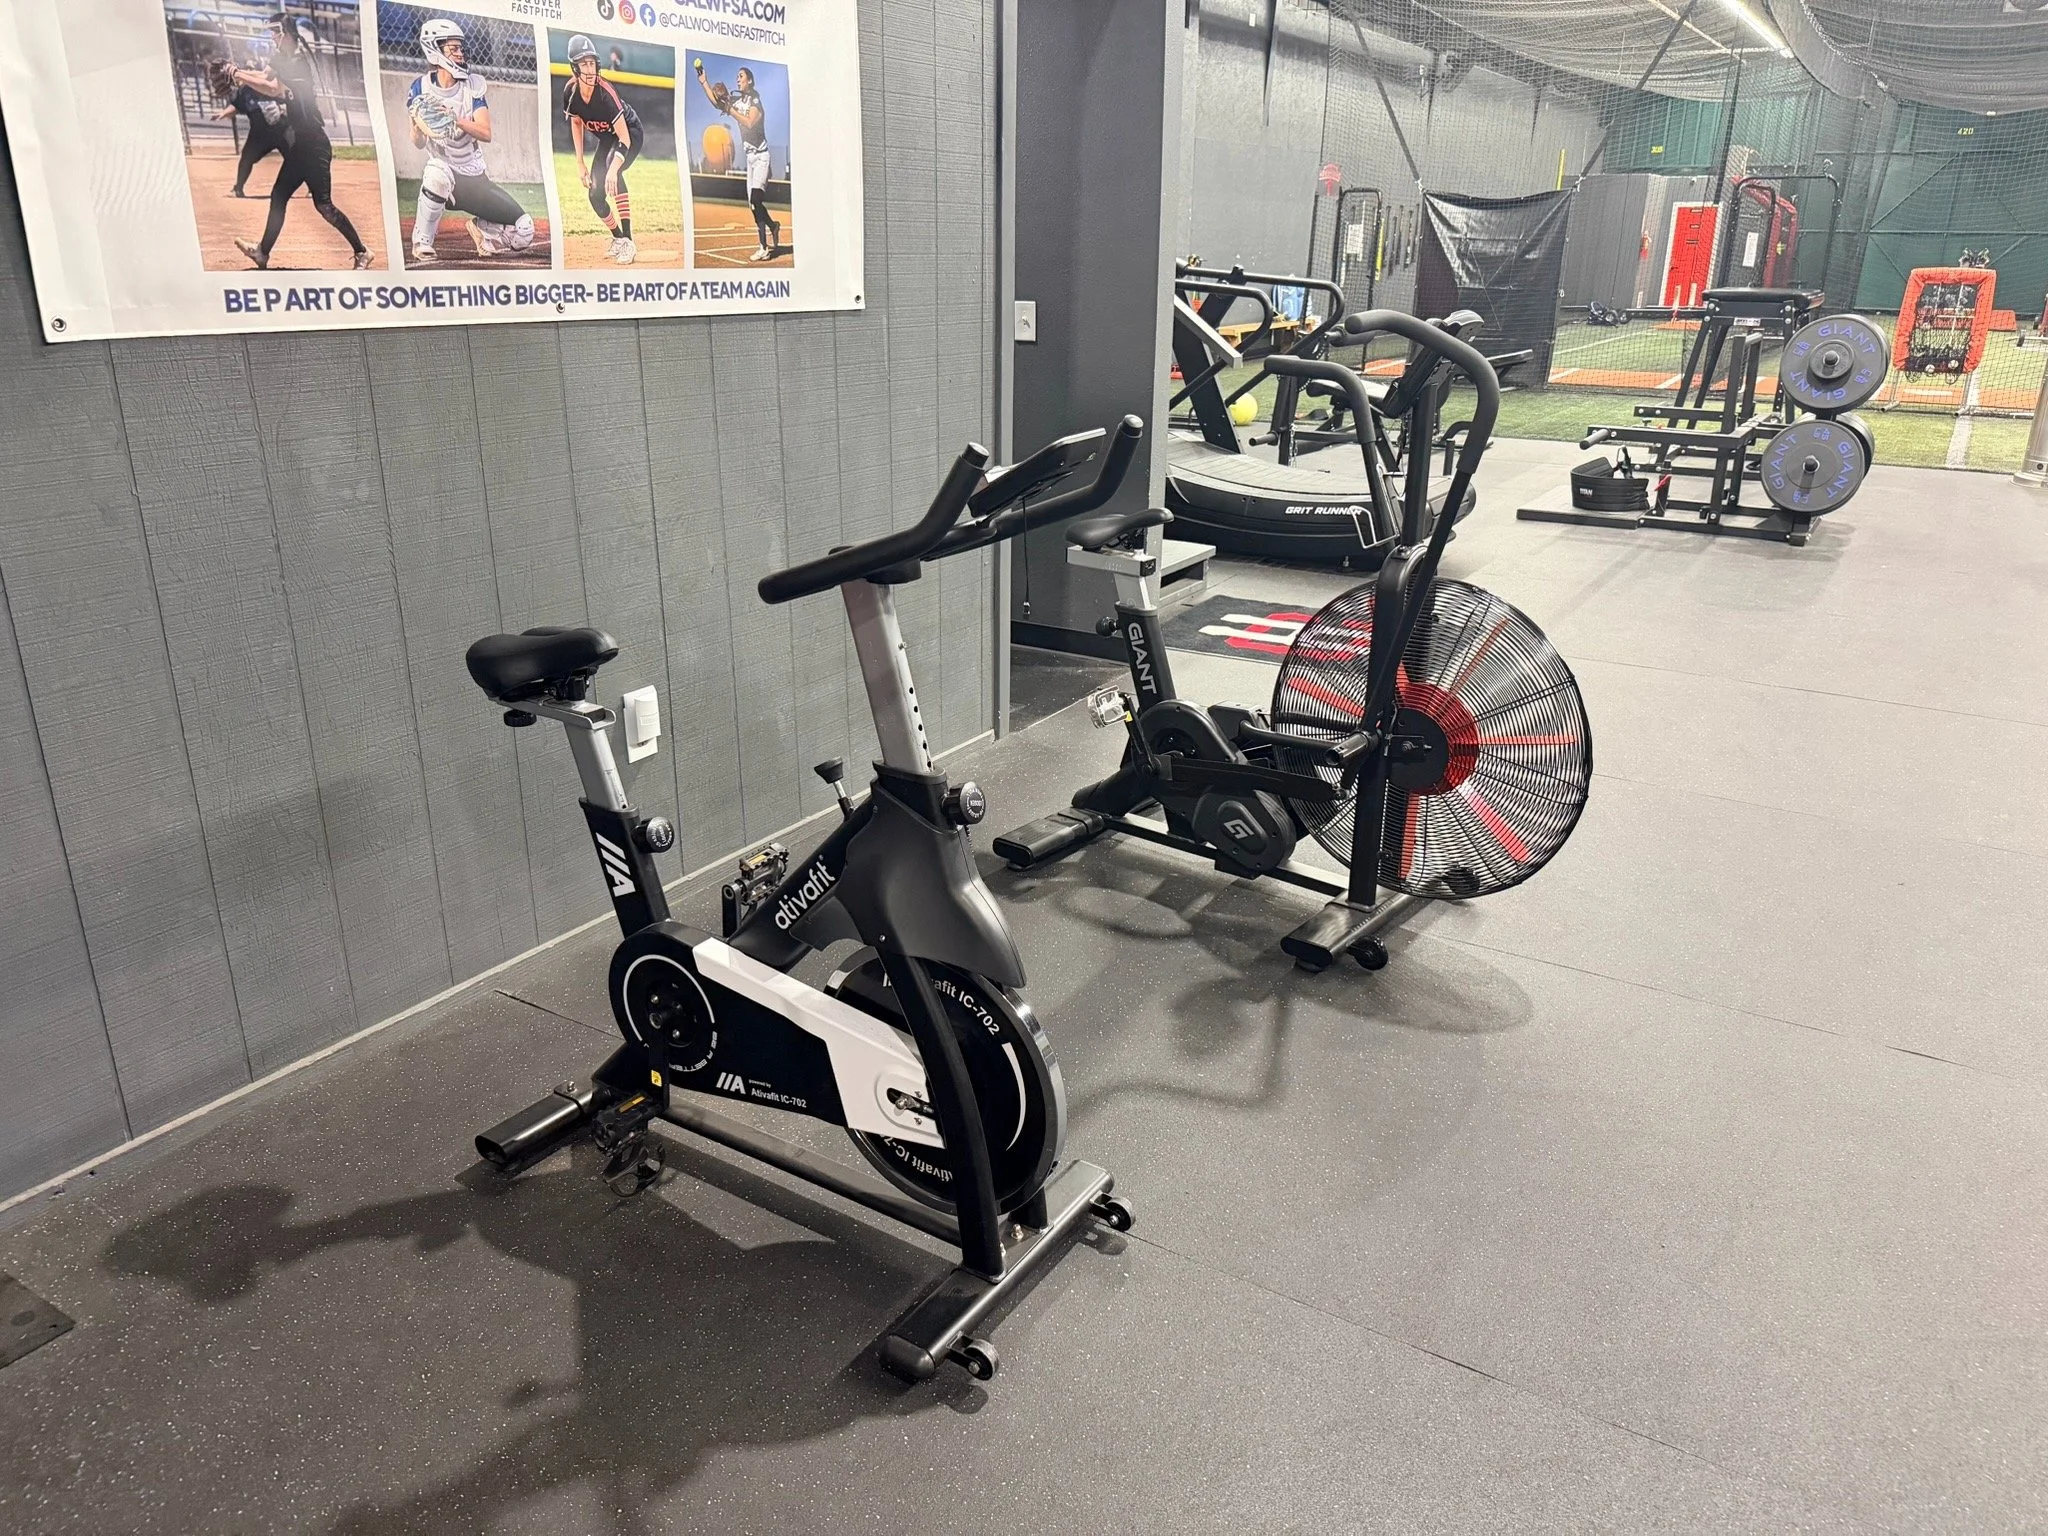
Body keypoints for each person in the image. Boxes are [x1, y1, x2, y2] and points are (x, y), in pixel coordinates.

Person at [230, 13, 372, 270]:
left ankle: (362, 252)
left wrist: (238, 74)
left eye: (275, 31)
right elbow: (263, 75)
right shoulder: (281, 58)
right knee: (279, 195)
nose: (272, 37)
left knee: (324, 206)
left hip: (315, 144)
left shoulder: (298, 63)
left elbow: (272, 87)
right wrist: (236, 72)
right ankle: (262, 252)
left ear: (286, 32)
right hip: (299, 145)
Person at [406, 17, 536, 263]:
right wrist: (417, 128)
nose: (460, 53)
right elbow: (419, 143)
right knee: (436, 172)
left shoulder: (472, 86)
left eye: (460, 48)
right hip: (446, 176)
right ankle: (422, 241)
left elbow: (485, 132)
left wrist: (456, 120)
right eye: (453, 48)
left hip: (475, 179)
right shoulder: (420, 88)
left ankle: (483, 231)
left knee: (524, 231)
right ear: (434, 49)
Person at [561, 34, 639, 265]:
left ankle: (629, 241)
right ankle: (619, 239)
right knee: (595, 195)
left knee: (612, 168)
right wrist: (579, 163)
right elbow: (576, 122)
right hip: (607, 139)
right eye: (583, 64)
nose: (590, 69)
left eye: (592, 63)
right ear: (574, 68)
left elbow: (624, 138)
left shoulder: (605, 93)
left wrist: (614, 170)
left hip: (630, 133)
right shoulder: (570, 92)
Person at [694, 60, 777, 261]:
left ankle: (764, 247)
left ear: (750, 81)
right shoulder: (737, 101)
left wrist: (730, 109)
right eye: (737, 77)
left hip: (761, 156)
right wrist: (704, 82)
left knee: (756, 200)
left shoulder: (755, 100)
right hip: (750, 159)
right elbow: (717, 103)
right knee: (753, 205)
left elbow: (749, 122)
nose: (737, 79)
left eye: (741, 76)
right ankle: (772, 227)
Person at [208, 56, 288, 199]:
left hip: (281, 129)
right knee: (246, 158)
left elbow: (279, 93)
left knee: (296, 157)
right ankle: (238, 188)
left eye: (252, 69)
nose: (249, 71)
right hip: (259, 133)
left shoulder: (269, 83)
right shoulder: (244, 91)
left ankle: (313, 187)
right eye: (247, 69)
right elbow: (237, 106)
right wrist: (223, 113)